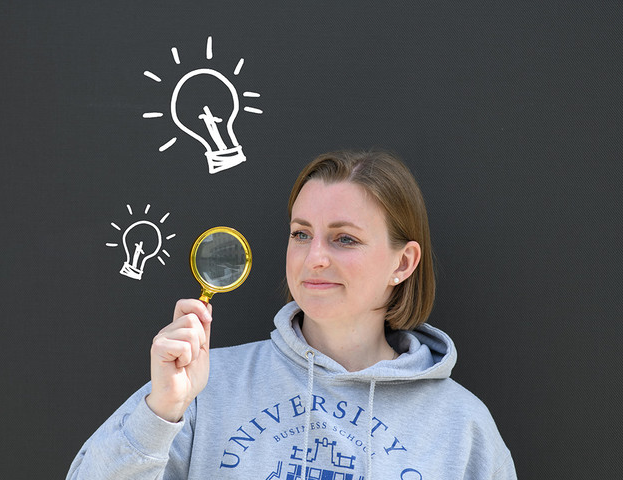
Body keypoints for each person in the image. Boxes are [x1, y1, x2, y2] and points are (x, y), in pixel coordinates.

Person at [66, 150, 516, 479]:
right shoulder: (202, 386)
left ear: (402, 263)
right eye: (301, 234)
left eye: (344, 239)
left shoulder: (463, 427)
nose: (314, 257)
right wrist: (162, 410)